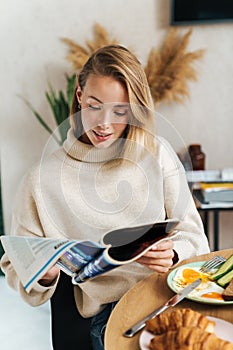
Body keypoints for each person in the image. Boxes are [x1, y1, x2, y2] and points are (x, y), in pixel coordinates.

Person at [1, 45, 210, 350]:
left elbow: (195, 238)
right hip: (105, 316)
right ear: (79, 96)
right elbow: (16, 265)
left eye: (120, 111)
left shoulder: (157, 153)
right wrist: (43, 275)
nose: (104, 124)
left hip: (166, 298)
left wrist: (173, 253)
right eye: (95, 106)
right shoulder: (41, 179)